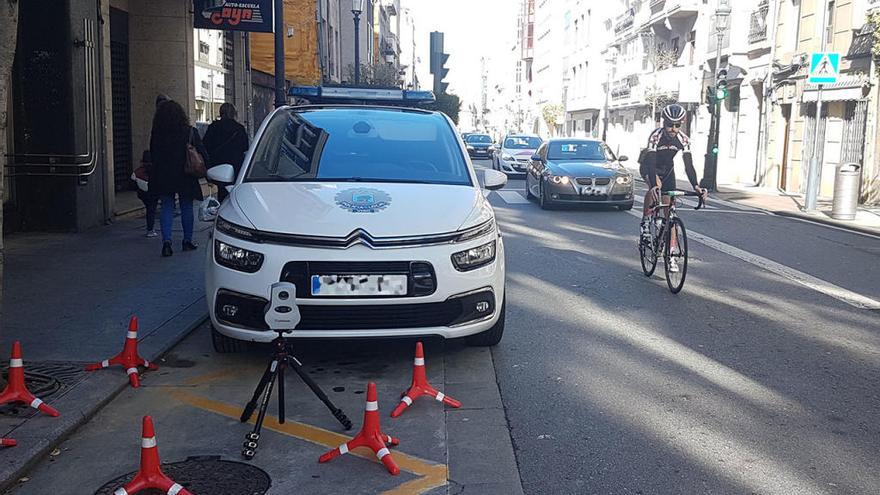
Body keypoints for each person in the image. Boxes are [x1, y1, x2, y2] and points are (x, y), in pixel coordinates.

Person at [639, 104, 708, 272]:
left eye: (678, 125)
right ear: (664, 123)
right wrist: (654, 186)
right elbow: (651, 162)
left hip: (668, 170)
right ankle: (646, 222)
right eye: (670, 124)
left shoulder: (683, 139)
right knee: (656, 188)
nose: (673, 129)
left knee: (671, 214)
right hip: (650, 166)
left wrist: (697, 186)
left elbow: (688, 165)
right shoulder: (656, 136)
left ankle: (671, 254)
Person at [149, 99, 208, 257]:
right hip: (186, 175)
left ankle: (166, 243)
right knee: (186, 207)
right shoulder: (189, 132)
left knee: (167, 206)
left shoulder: (157, 133)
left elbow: (153, 154)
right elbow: (203, 152)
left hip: (165, 175)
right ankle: (187, 240)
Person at [203, 103, 249, 201]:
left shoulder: (213, 127)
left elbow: (206, 145)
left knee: (221, 190)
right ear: (233, 113)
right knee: (233, 189)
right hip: (235, 164)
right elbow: (245, 147)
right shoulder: (239, 128)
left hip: (218, 165)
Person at [132, 150, 158, 237]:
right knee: (152, 210)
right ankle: (150, 229)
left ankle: (150, 229)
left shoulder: (139, 170)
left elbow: (132, 181)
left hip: (143, 193)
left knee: (149, 209)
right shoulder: (155, 169)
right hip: (153, 192)